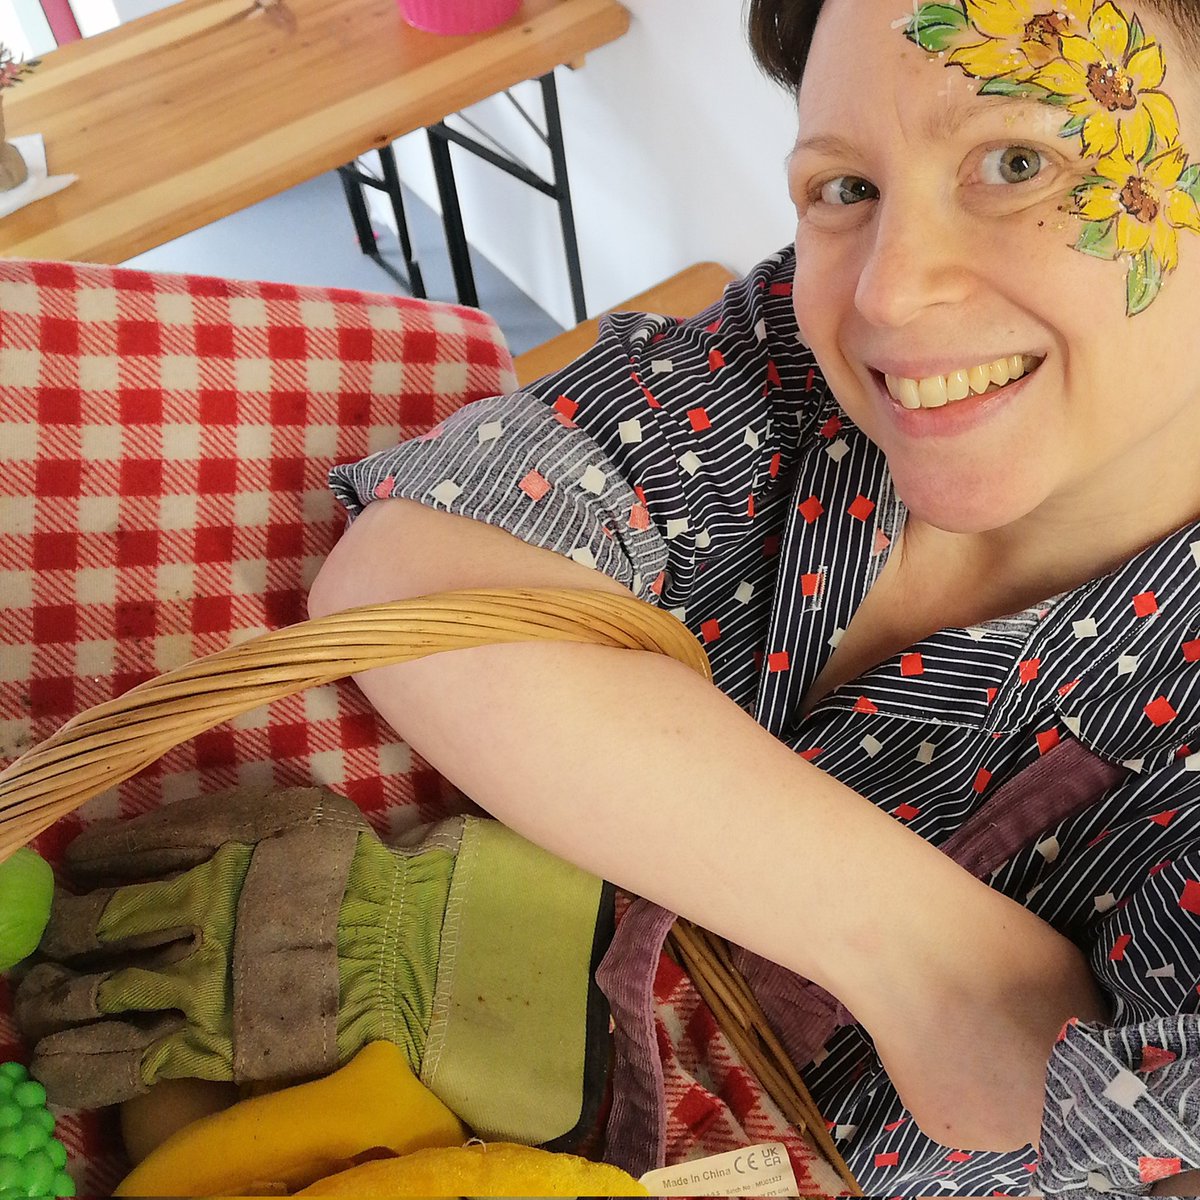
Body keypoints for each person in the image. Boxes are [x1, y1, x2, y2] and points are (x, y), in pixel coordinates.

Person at [307, 0, 1200, 1192]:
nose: (888, 294)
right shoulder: (771, 372)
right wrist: (937, 963)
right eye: (845, 189)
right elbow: (415, 575)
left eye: (1018, 162)